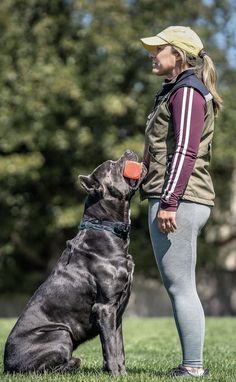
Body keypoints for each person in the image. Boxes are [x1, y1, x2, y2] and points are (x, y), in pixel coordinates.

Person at [140, 26, 222, 378]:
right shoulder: (174, 91)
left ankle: (193, 367)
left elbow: (186, 150)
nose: (152, 54)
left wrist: (170, 202)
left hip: (181, 199)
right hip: (174, 195)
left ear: (178, 54)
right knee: (178, 284)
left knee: (180, 285)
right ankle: (191, 364)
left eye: (158, 48)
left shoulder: (187, 92)